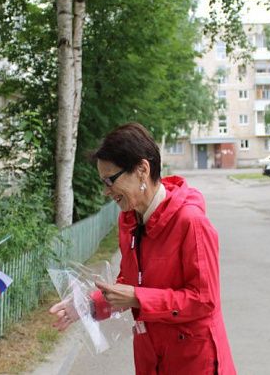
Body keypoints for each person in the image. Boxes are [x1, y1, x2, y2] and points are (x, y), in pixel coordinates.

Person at [50, 123, 237, 374]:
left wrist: (139, 297)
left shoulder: (191, 222)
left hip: (193, 360)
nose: (106, 191)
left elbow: (204, 300)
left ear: (142, 170)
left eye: (110, 180)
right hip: (150, 355)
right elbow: (127, 281)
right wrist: (86, 306)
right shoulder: (129, 220)